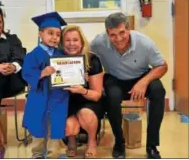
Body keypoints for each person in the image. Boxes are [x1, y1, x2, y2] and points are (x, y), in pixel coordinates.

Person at [90, 12, 168, 159]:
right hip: (114, 78)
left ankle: (152, 145)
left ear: (128, 28)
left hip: (141, 76)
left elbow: (162, 66)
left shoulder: (145, 43)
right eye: (113, 35)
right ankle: (119, 143)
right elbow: (85, 55)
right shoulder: (98, 43)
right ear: (107, 33)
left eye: (122, 33)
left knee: (158, 91)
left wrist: (143, 82)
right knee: (111, 97)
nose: (118, 39)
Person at [21, 11, 69, 159]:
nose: (54, 37)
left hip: (58, 97)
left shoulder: (61, 55)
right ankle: (37, 154)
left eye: (57, 34)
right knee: (38, 127)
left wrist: (79, 76)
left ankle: (53, 154)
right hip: (39, 97)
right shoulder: (32, 55)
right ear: (40, 34)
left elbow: (69, 73)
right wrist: (42, 73)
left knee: (55, 127)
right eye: (50, 33)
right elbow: (27, 74)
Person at [62, 25, 104, 158]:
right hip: (66, 102)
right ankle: (72, 141)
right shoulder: (57, 60)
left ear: (81, 43)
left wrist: (83, 90)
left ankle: (92, 142)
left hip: (88, 101)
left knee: (86, 114)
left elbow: (97, 95)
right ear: (62, 43)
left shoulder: (92, 60)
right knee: (69, 124)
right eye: (67, 40)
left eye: (75, 40)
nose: (71, 44)